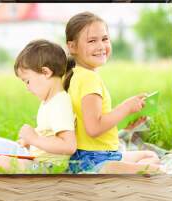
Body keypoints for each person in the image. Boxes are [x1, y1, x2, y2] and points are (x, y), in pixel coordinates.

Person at [64, 12, 162, 174]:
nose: (101, 46)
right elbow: (94, 128)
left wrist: (126, 127)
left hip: (87, 156)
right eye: (92, 41)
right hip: (95, 159)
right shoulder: (89, 80)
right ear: (72, 46)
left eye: (105, 39)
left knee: (149, 155)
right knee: (154, 168)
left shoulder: (74, 74)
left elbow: (87, 123)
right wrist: (126, 107)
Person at [0, 39, 77, 174]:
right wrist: (30, 142)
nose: (27, 88)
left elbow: (69, 146)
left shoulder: (60, 103)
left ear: (46, 72)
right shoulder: (49, 101)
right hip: (39, 161)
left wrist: (35, 139)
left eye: (27, 81)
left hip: (48, 167)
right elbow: (49, 135)